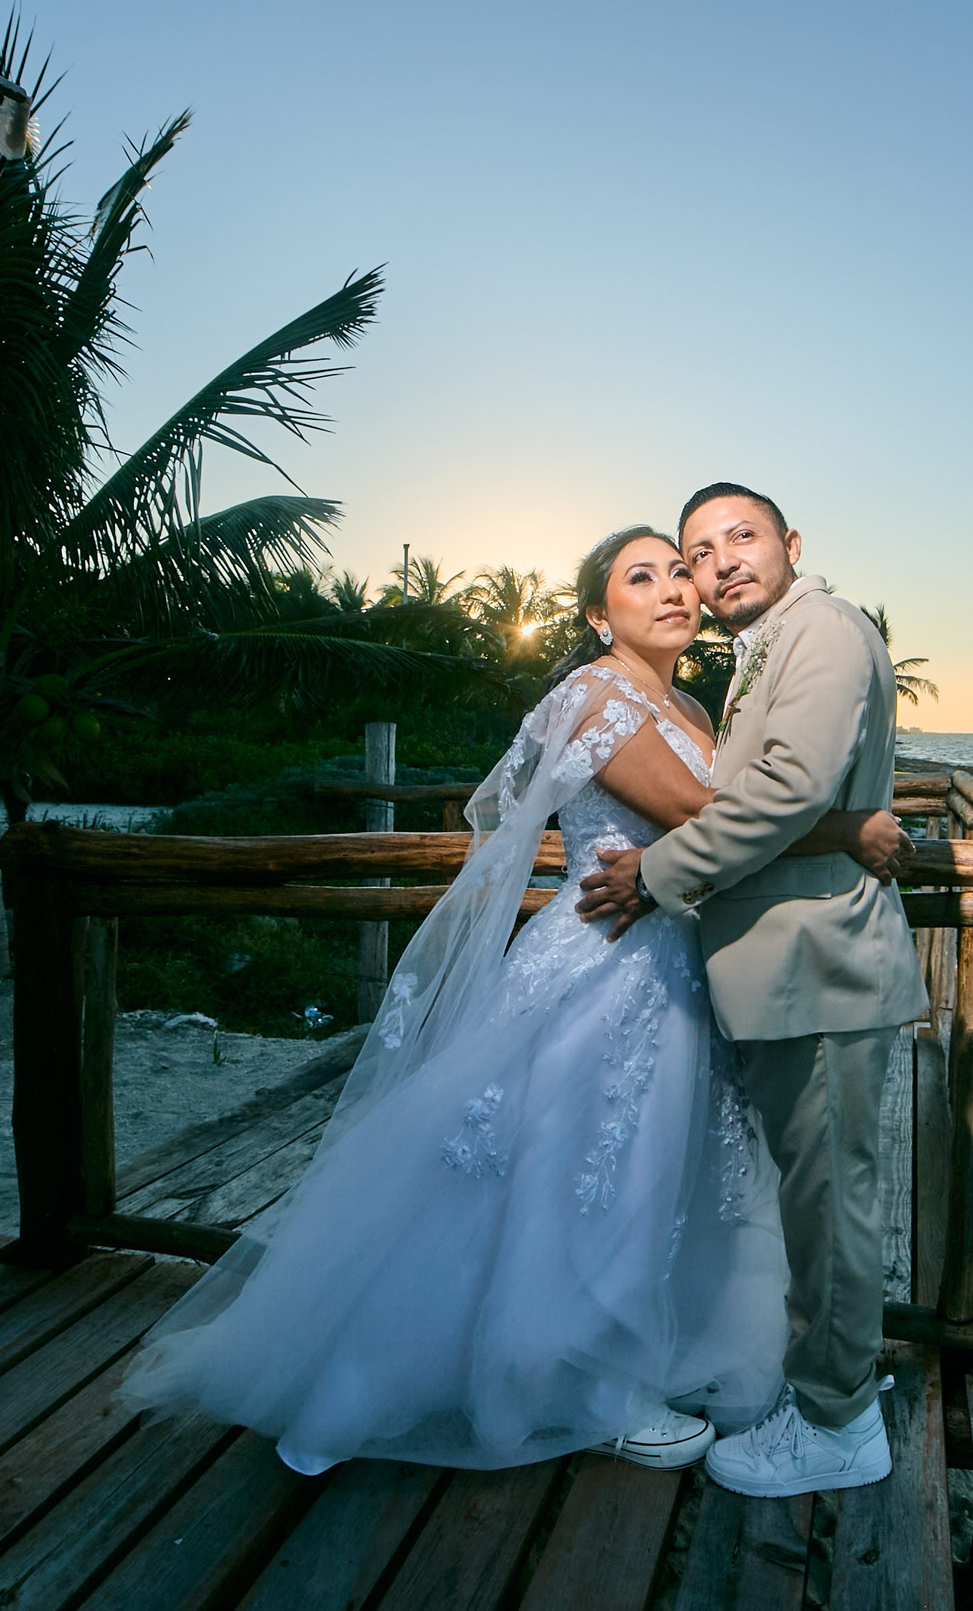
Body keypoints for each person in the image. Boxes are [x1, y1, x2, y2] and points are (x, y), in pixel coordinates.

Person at [120, 526, 908, 1477]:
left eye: (680, 572)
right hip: (606, 967)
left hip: (675, 968)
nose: (673, 590)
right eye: (641, 575)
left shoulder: (695, 702)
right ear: (594, 612)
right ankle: (577, 1385)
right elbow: (702, 819)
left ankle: (632, 1352)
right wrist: (848, 827)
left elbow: (744, 809)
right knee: (572, 1174)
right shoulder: (592, 695)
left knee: (647, 1176)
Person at [577, 482, 927, 1497]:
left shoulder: (821, 631)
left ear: (791, 545)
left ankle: (837, 1424)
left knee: (833, 1210)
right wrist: (844, 824)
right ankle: (826, 1393)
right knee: (817, 1202)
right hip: (781, 973)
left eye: (742, 537)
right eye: (697, 550)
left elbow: (781, 789)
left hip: (818, 967)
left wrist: (653, 874)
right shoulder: (755, 653)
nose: (718, 560)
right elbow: (775, 794)